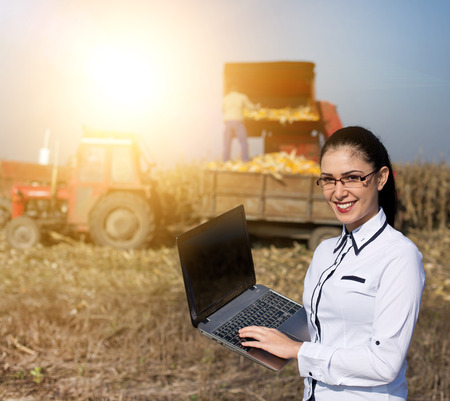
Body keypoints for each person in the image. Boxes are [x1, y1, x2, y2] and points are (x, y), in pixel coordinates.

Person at [239, 126, 425, 401]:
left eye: (352, 178)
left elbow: (384, 364)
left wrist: (296, 350)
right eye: (328, 180)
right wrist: (262, 321)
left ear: (381, 178)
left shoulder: (399, 256)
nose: (338, 192)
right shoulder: (325, 252)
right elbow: (324, 325)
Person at [222, 85, 259, 162]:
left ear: (230, 91)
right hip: (237, 121)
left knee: (227, 143)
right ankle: (245, 159)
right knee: (243, 142)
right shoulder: (241, 97)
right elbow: (250, 107)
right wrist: (256, 107)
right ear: (237, 90)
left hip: (228, 122)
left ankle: (225, 161)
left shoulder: (226, 98)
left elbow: (223, 109)